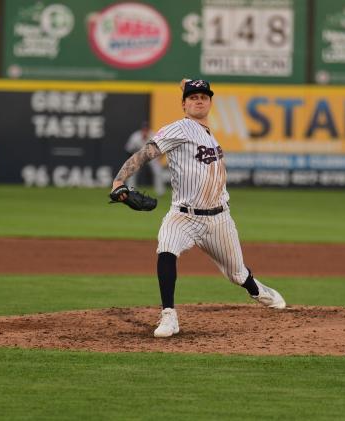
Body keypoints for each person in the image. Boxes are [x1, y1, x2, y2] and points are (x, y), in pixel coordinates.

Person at [111, 78, 286, 338]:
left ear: (211, 102)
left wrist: (187, 88)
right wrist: (119, 180)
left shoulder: (206, 132)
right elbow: (148, 152)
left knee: (238, 274)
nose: (199, 100)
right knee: (167, 248)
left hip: (219, 219)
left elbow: (194, 103)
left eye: (204, 96)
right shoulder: (179, 128)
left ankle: (257, 290)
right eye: (193, 97)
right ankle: (169, 315)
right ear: (184, 105)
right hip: (184, 216)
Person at [124, 121, 167, 196]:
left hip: (152, 156)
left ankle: (160, 192)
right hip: (139, 155)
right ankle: (130, 191)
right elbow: (128, 149)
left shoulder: (154, 136)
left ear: (149, 130)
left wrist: (159, 158)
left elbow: (162, 148)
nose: (145, 131)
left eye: (146, 129)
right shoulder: (135, 137)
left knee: (158, 172)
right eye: (144, 129)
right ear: (141, 130)